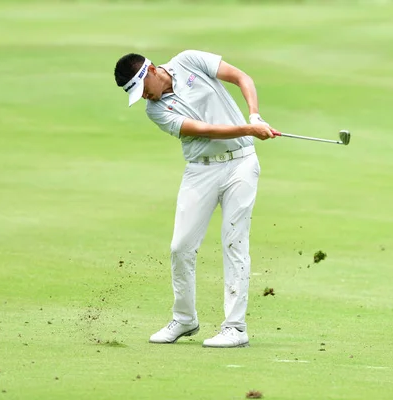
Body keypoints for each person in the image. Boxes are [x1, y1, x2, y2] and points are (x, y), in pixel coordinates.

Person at [113, 49, 275, 348]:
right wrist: (249, 128)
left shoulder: (189, 60)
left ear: (150, 70)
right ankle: (185, 319)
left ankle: (235, 328)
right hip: (200, 172)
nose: (145, 97)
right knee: (180, 247)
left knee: (234, 242)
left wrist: (254, 115)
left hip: (241, 163)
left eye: (143, 90)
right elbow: (207, 131)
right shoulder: (156, 111)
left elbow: (241, 77)